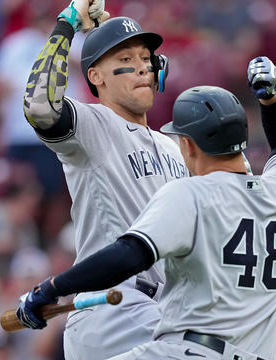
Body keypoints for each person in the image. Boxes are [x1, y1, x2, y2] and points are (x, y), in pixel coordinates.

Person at [17, 56, 276, 360]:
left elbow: (128, 255)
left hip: (189, 352)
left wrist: (52, 287)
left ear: (188, 145)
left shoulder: (191, 194)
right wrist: (271, 98)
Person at [20, 1, 187, 359]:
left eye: (146, 58)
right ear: (96, 77)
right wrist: (67, 25)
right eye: (125, 61)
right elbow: (39, 106)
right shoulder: (95, 126)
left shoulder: (173, 146)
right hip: (115, 306)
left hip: (161, 308)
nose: (142, 67)